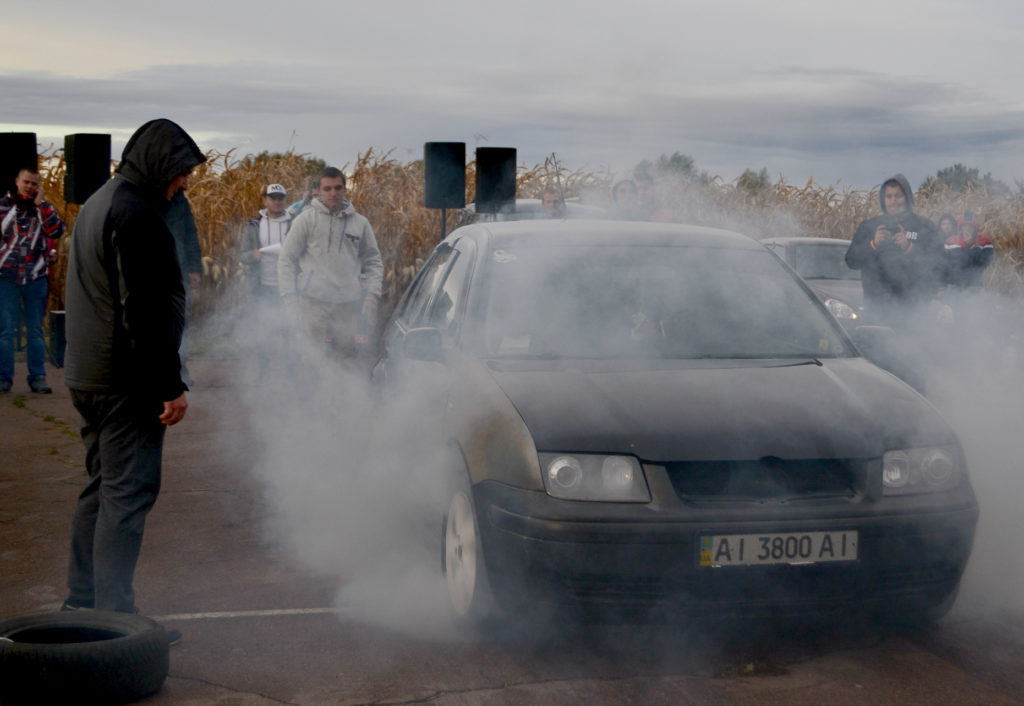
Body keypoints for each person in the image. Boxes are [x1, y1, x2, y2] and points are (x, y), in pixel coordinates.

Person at [62, 119, 205, 620]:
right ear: (160, 164)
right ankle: (114, 620)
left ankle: (82, 601)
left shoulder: (103, 199)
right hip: (125, 381)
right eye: (183, 171)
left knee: (102, 488)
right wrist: (169, 385)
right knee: (126, 495)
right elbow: (144, 311)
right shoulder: (138, 214)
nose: (185, 182)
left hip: (88, 373)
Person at [278, 167, 383, 364]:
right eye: (327, 189)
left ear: (345, 189)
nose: (333, 193)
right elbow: (286, 261)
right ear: (318, 191)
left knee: (345, 358)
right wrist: (290, 301)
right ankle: (312, 395)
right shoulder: (305, 221)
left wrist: (372, 296)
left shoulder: (360, 223)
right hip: (313, 302)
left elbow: (374, 261)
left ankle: (342, 394)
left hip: (348, 303)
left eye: (337, 188)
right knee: (311, 358)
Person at [845, 174, 944, 331]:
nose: (893, 201)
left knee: (910, 354)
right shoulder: (869, 227)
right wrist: (873, 244)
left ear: (907, 198)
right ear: (883, 200)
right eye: (889, 196)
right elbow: (851, 261)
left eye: (898, 196)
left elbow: (937, 264)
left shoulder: (925, 227)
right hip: (876, 311)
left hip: (914, 313)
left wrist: (908, 247)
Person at [0, 167, 66, 394]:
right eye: (26, 182)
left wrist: (41, 205)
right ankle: (3, 378)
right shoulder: (2, 207)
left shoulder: (43, 210)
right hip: (6, 277)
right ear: (17, 182)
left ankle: (37, 377)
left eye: (34, 184)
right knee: (6, 330)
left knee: (36, 329)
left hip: (35, 277)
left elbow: (57, 231)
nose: (29, 187)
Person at [239, 183, 294, 379]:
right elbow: (242, 254)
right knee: (263, 330)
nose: (277, 202)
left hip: (287, 288)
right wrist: (251, 255)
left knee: (289, 330)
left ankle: (291, 372)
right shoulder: (254, 225)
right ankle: (263, 372)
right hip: (262, 286)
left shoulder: (293, 223)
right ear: (264, 201)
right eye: (273, 198)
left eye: (280, 198)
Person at [164, 190, 202, 386]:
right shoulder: (142, 198)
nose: (186, 183)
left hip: (181, 271)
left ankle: (180, 368)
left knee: (181, 321)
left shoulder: (180, 202)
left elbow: (190, 234)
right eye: (183, 176)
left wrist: (195, 268)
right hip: (154, 272)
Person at [944, 212, 993, 290]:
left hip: (974, 286)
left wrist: (973, 246)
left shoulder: (985, 242)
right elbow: (948, 264)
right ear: (960, 227)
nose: (967, 229)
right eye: (964, 226)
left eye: (970, 226)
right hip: (953, 286)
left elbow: (982, 264)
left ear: (975, 228)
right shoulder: (951, 241)